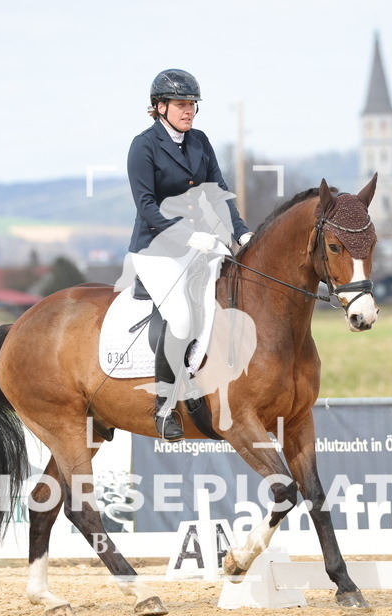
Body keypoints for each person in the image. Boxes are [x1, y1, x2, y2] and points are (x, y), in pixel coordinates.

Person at [126, 68, 253, 441]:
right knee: (181, 320)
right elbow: (147, 206)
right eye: (181, 104)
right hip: (157, 249)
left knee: (230, 296)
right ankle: (165, 407)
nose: (189, 111)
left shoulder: (199, 141)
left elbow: (218, 193)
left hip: (200, 244)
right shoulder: (143, 146)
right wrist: (188, 236)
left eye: (193, 104)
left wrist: (242, 233)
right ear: (160, 106)